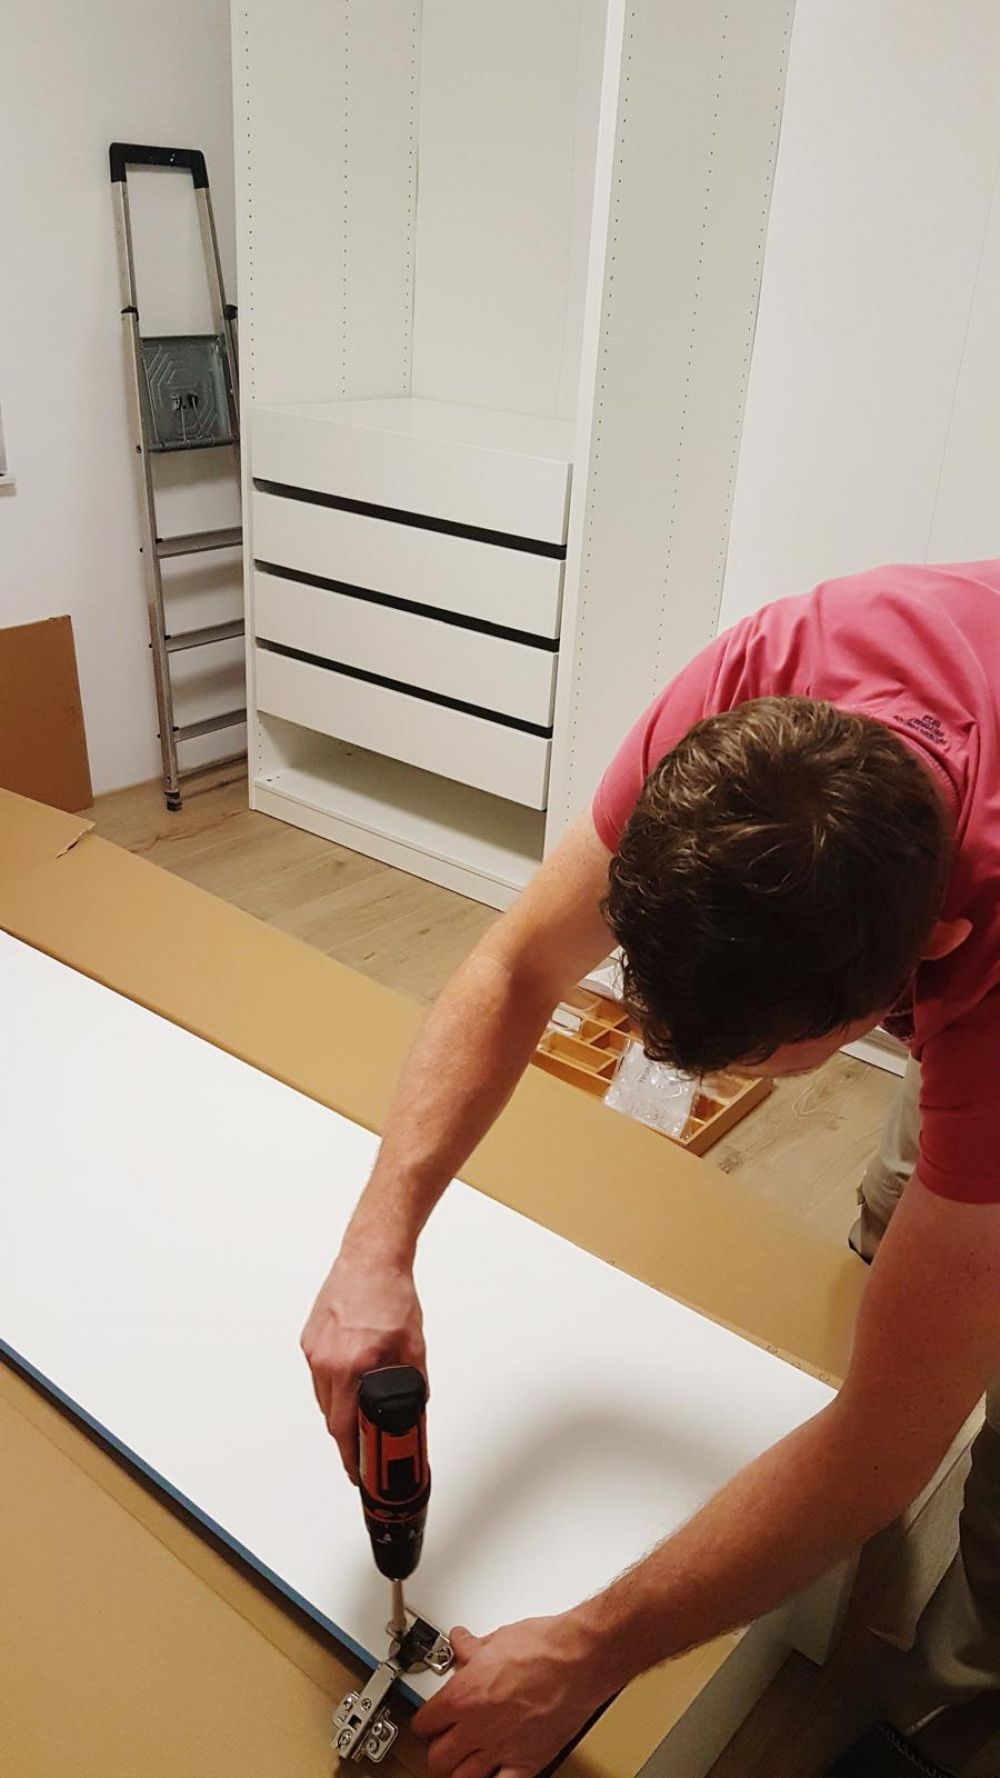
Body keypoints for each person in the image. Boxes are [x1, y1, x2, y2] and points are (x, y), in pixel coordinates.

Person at [301, 560, 1000, 1778]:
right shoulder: (762, 694)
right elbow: (517, 965)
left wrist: (588, 1649)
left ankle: (957, 1720)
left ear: (923, 960)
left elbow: (889, 1435)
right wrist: (376, 1246)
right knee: (903, 1229)